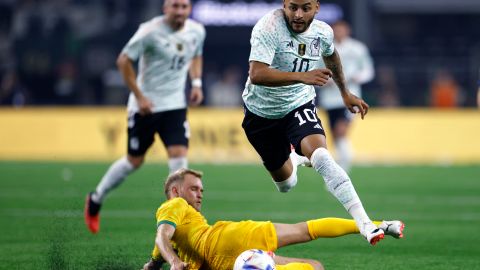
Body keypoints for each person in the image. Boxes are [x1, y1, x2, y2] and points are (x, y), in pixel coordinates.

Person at [241, 0, 384, 245]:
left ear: (316, 8)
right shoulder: (269, 26)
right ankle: (294, 158)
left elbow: (332, 57)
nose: (298, 14)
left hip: (299, 104)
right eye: (292, 7)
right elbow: (257, 74)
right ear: (284, 5)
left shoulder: (322, 32)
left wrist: (345, 93)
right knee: (286, 184)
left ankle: (365, 223)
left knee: (322, 157)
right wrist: (302, 76)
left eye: (305, 8)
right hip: (260, 114)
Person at [84, 0, 206, 234]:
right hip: (145, 108)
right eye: (175, 6)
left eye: (184, 7)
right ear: (165, 8)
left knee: (179, 155)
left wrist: (197, 82)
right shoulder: (149, 32)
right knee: (134, 160)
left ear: (189, 9)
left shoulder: (197, 31)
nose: (180, 11)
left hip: (175, 106)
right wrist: (139, 96)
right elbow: (123, 61)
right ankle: (96, 198)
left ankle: (180, 217)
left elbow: (196, 55)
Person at [142, 169, 404, 270]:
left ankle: (374, 225)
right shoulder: (173, 205)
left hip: (223, 251)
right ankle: (376, 224)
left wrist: (167, 263)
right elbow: (161, 240)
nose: (200, 194)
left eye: (201, 189)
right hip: (230, 239)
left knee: (313, 255)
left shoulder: (176, 215)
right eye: (194, 189)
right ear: (175, 191)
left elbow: (161, 245)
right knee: (308, 240)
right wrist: (167, 262)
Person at [317, 20, 375, 172]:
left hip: (350, 98)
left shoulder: (357, 48)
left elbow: (368, 71)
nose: (339, 32)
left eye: (341, 29)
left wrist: (357, 77)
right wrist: (324, 81)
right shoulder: (324, 49)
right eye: (336, 30)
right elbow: (315, 73)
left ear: (348, 30)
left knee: (340, 131)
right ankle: (340, 169)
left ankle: (344, 167)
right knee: (335, 137)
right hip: (330, 100)